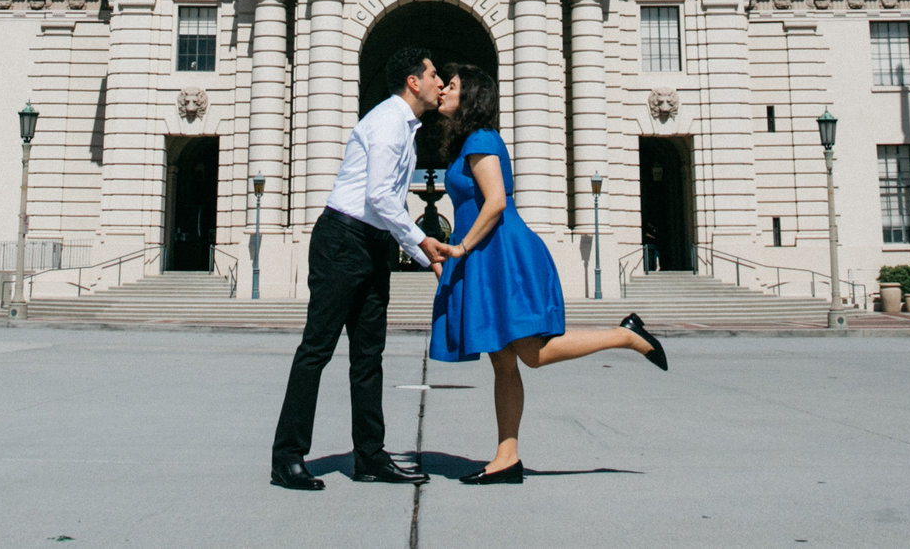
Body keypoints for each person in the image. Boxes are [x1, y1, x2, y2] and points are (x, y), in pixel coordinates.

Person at [429, 64, 665, 484]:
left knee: (531, 354)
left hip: (500, 252)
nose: (444, 90)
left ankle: (626, 334)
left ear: (472, 97)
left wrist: (462, 248)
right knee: (503, 361)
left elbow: (496, 201)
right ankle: (506, 458)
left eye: (453, 85)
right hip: (485, 255)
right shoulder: (470, 140)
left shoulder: (481, 139)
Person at [270, 46, 451, 491]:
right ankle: (287, 457)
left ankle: (369, 455)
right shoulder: (389, 122)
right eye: (433, 75)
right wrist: (422, 243)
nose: (439, 82)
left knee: (368, 356)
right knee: (317, 349)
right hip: (343, 239)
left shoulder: (404, 124)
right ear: (413, 81)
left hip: (370, 244)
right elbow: (380, 197)